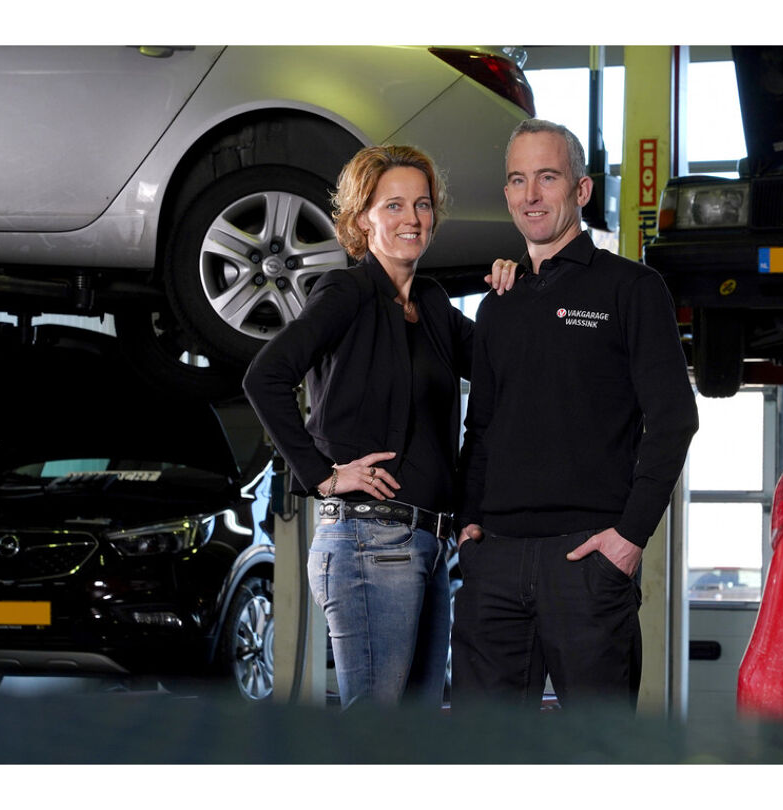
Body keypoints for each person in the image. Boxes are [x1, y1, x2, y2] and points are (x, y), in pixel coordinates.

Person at [243, 144, 508, 708]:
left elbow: (500, 362)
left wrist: (515, 290)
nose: (413, 218)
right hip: (368, 540)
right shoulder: (347, 292)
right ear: (363, 218)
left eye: (422, 204)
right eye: (394, 205)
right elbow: (265, 377)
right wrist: (323, 476)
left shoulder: (432, 304)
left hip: (428, 544)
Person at [452, 119, 699, 712]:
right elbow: (480, 428)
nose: (531, 195)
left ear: (581, 190)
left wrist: (630, 537)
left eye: (547, 177)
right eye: (518, 180)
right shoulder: (497, 306)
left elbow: (674, 419)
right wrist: (469, 524)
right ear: (506, 194)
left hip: (588, 560)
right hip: (495, 561)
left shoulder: (632, 289)